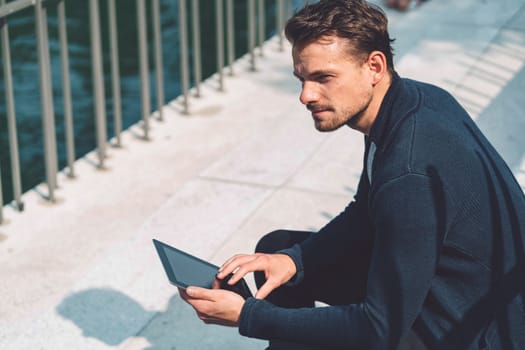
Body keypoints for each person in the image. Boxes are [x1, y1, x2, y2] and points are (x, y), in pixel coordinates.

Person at [179, 0, 525, 349]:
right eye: (302, 78)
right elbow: (365, 210)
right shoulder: (412, 101)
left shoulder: (409, 170)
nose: (306, 95)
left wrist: (248, 316)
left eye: (323, 78)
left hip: (469, 332)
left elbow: (379, 327)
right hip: (446, 288)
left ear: (374, 66)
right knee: (278, 252)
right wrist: (294, 260)